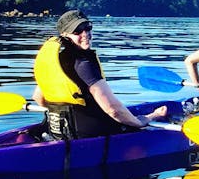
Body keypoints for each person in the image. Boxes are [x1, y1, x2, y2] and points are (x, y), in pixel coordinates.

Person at [32, 9, 166, 139]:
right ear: (65, 35)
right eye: (77, 31)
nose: (85, 34)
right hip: (90, 134)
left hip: (59, 131)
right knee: (139, 122)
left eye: (87, 27)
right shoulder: (85, 64)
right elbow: (113, 110)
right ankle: (152, 116)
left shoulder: (55, 62)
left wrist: (63, 113)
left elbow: (38, 97)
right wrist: (140, 122)